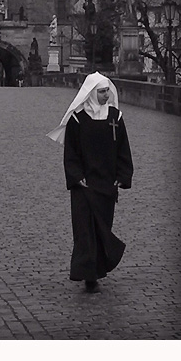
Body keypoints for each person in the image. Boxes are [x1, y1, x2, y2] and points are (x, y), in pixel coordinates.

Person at [47, 72, 133, 294]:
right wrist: (76, 176)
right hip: (84, 184)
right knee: (84, 229)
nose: (106, 95)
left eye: (107, 91)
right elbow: (71, 152)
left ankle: (98, 266)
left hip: (106, 183)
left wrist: (122, 176)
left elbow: (123, 149)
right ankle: (88, 274)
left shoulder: (116, 116)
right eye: (102, 92)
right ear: (92, 93)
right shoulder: (78, 119)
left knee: (102, 227)